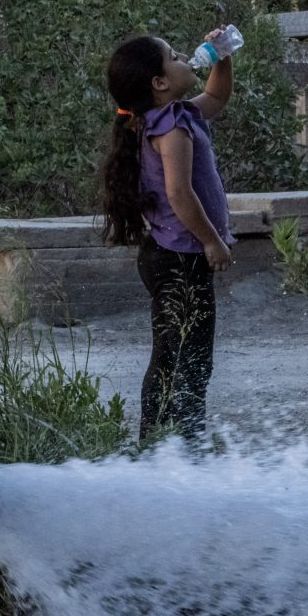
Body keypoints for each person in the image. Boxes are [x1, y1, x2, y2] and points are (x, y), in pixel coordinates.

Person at [99, 31, 237, 445]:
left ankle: (165, 442)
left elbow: (216, 98)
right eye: (175, 56)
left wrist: (222, 58)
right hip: (181, 261)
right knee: (185, 360)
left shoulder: (171, 115)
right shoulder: (171, 128)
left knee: (177, 356)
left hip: (168, 256)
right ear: (160, 83)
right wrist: (212, 241)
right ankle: (175, 446)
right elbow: (179, 194)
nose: (184, 58)